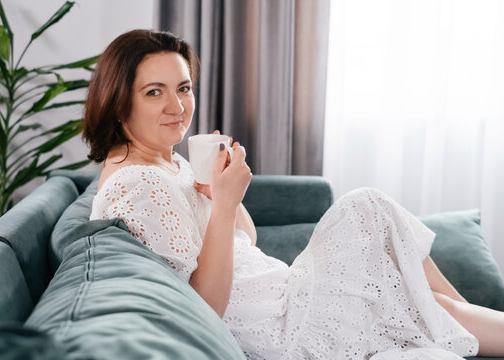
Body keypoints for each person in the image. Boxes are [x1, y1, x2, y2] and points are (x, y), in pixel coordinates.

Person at [83, 29, 504, 359]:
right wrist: (225, 202)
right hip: (284, 329)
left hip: (287, 294)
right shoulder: (135, 186)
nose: (177, 106)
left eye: (184, 87)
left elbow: (244, 240)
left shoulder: (168, 163)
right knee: (372, 218)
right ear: (119, 103)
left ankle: (455, 316)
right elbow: (203, 310)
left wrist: (219, 191)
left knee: (410, 282)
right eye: (154, 92)